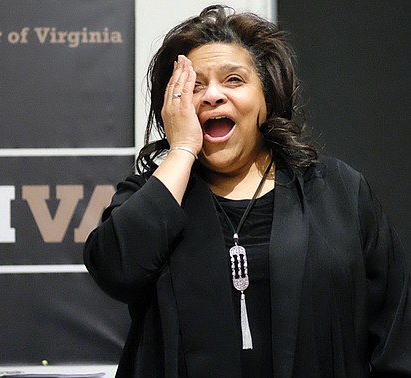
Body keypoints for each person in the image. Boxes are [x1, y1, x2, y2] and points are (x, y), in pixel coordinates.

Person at [83, 5, 411, 377]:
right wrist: (181, 152)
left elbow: (395, 335)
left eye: (234, 80)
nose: (212, 96)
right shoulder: (152, 193)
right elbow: (115, 270)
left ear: (266, 98)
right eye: (193, 86)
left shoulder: (338, 191)